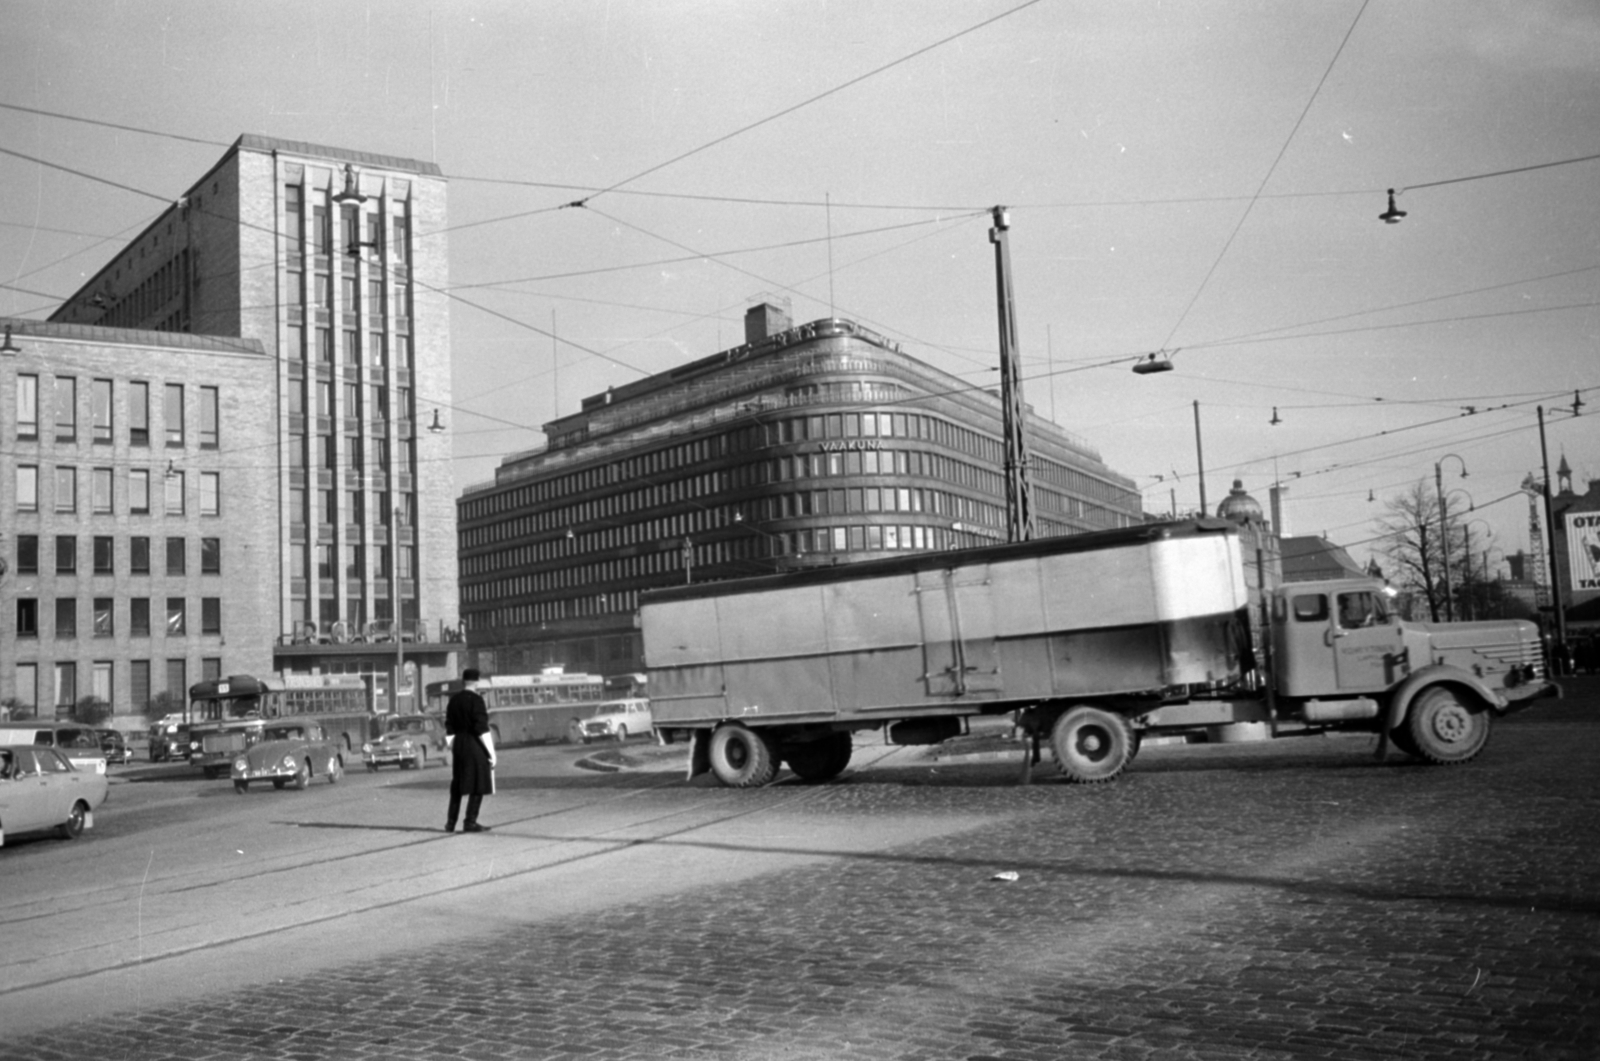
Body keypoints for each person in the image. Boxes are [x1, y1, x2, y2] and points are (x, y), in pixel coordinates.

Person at [444, 668, 496, 833]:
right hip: (474, 744)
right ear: (477, 681)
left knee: (457, 784)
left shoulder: (454, 701)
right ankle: (470, 821)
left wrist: (453, 746)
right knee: (478, 782)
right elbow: (482, 728)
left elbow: (449, 727)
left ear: (463, 681)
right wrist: (491, 753)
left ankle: (450, 823)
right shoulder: (477, 700)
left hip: (459, 744)